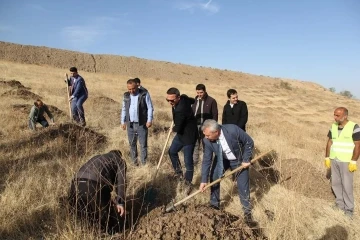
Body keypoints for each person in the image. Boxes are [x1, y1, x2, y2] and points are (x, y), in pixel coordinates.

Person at [199, 119, 254, 222]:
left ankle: (247, 213)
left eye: (208, 135)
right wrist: (203, 180)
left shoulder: (233, 130)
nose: (206, 138)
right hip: (222, 159)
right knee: (214, 178)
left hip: (239, 159)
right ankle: (214, 205)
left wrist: (246, 159)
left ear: (216, 132)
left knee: (243, 185)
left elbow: (249, 142)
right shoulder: (207, 141)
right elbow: (207, 160)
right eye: (205, 135)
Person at [68, 150, 126, 234]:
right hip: (94, 185)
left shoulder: (97, 157)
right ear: (119, 155)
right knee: (107, 222)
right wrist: (120, 202)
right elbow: (121, 182)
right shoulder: (120, 161)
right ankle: (112, 234)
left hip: (75, 184)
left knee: (85, 220)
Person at [325, 107, 360, 218]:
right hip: (334, 159)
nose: (335, 117)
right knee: (335, 183)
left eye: (337, 115)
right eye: (334, 114)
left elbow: (358, 145)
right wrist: (327, 157)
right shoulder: (333, 126)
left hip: (346, 160)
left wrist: (354, 161)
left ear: (345, 116)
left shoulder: (354, 127)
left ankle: (349, 209)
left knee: (347, 185)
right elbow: (329, 142)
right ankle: (340, 204)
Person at [166, 87, 198, 195]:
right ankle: (179, 174)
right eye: (168, 100)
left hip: (188, 136)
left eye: (172, 100)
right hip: (181, 135)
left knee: (188, 162)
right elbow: (192, 100)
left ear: (178, 97)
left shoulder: (180, 110)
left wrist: (172, 129)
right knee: (172, 152)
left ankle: (187, 184)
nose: (170, 102)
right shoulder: (184, 98)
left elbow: (178, 128)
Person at [121, 79, 153, 166]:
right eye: (129, 89)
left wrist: (149, 120)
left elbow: (150, 107)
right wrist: (123, 121)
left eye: (133, 88)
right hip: (130, 124)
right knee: (132, 144)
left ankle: (143, 164)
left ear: (137, 86)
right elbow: (124, 109)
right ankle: (134, 163)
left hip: (142, 124)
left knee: (143, 145)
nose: (131, 91)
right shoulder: (126, 96)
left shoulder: (144, 94)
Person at [191, 84, 218, 164]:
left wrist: (213, 127)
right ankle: (194, 163)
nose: (199, 94)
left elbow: (215, 115)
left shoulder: (211, 101)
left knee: (206, 145)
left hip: (206, 127)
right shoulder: (194, 101)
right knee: (195, 144)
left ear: (205, 91)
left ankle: (207, 162)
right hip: (195, 126)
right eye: (198, 92)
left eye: (201, 92)